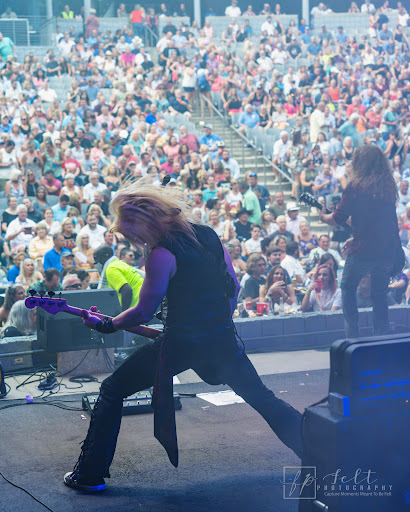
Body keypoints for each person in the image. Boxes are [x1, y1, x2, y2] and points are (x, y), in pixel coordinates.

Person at [64, 180, 302, 492]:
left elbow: (142, 312)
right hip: (221, 339)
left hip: (181, 345)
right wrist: (217, 323)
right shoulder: (207, 235)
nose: (133, 241)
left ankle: (89, 474)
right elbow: (232, 286)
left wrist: (105, 325)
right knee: (261, 397)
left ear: (143, 223)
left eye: (131, 233)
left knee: (112, 389)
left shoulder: (161, 254)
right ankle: (323, 452)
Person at [318, 145, 404, 337]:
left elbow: (338, 218)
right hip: (386, 249)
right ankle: (380, 332)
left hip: (364, 250)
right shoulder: (388, 186)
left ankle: (353, 335)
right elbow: (378, 222)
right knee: (379, 293)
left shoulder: (355, 188)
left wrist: (323, 217)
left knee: (347, 286)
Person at [95, 245, 144, 310]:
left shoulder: (111, 268)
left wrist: (123, 314)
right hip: (145, 301)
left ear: (104, 257)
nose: (96, 263)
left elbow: (126, 290)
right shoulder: (120, 263)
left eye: (97, 259)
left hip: (138, 306)